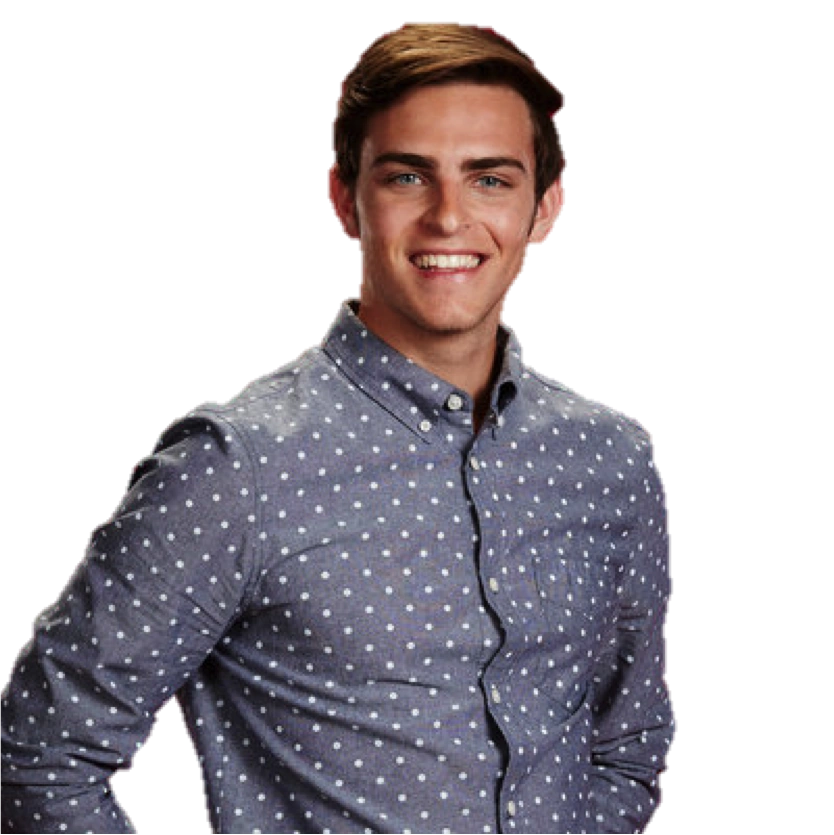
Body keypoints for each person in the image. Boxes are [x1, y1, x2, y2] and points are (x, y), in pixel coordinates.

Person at [0, 19, 675, 835]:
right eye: (407, 177)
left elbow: (629, 745)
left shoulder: (612, 462)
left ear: (546, 209)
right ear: (344, 202)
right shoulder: (236, 465)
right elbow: (45, 751)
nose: (449, 217)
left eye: (490, 179)